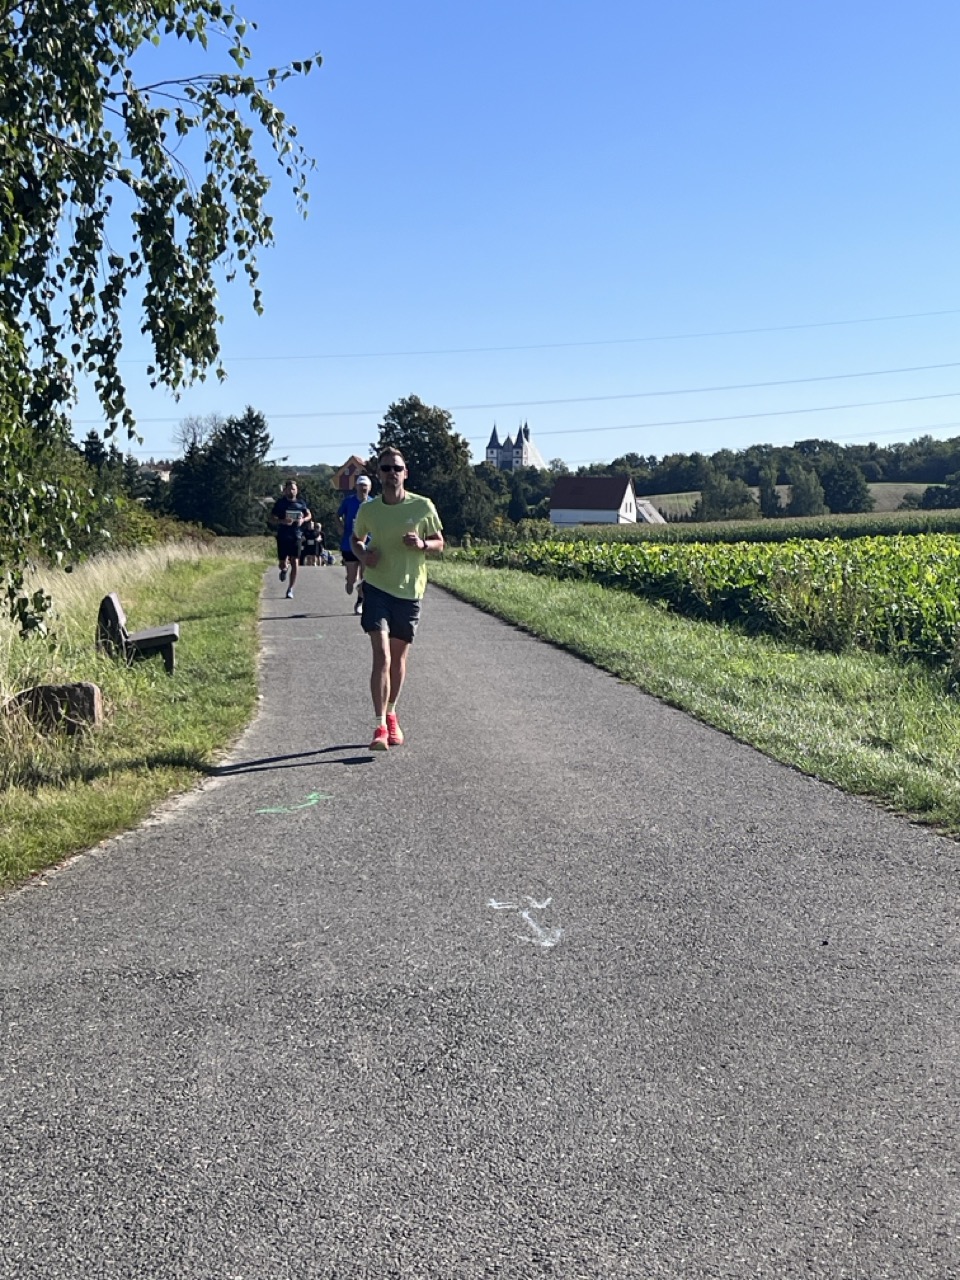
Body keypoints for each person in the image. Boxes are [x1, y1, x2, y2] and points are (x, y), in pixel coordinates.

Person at [351, 448, 443, 751]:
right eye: (386, 468)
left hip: (409, 590)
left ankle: (391, 713)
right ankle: (379, 726)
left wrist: (422, 544)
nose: (392, 473)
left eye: (397, 468)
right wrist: (364, 555)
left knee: (398, 658)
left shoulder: (422, 506)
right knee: (381, 655)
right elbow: (355, 539)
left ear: (406, 473)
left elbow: (440, 543)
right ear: (378, 474)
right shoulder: (369, 510)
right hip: (377, 587)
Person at [269, 479, 311, 599]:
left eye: (293, 489)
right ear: (285, 491)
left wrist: (303, 520)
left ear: (297, 490)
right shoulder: (280, 503)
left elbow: (309, 515)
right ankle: (284, 569)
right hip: (283, 535)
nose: (291, 491)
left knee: (295, 561)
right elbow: (271, 518)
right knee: (282, 563)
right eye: (289, 489)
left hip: (296, 535)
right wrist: (282, 521)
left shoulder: (301, 503)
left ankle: (290, 588)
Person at [338, 474, 373, 614]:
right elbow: (337, 515)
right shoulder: (349, 501)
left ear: (369, 488)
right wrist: (340, 527)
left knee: (366, 577)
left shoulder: (373, 503)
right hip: (349, 543)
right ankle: (350, 581)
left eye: (365, 486)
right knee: (352, 577)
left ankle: (359, 602)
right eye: (360, 486)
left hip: (368, 543)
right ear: (356, 487)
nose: (363, 489)